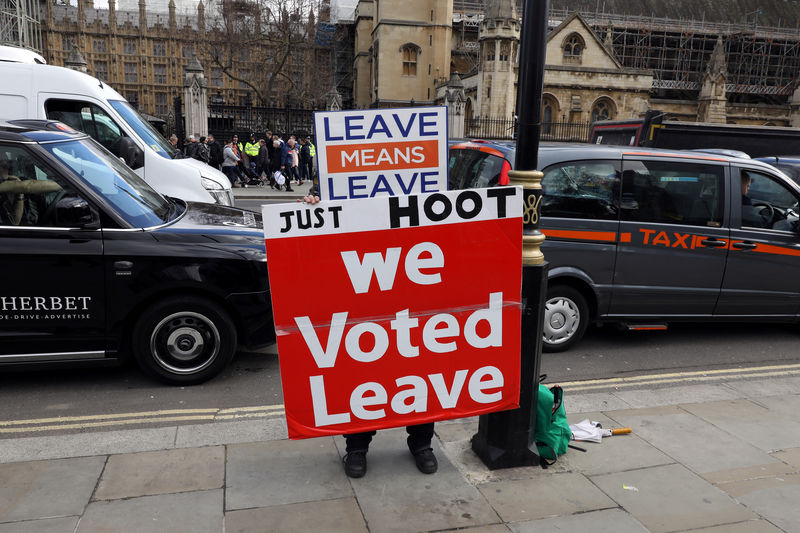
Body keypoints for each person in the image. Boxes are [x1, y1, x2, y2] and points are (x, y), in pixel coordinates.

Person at [299, 191, 438, 478]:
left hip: (412, 283)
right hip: (362, 291)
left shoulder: (424, 178)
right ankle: (357, 446)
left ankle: (422, 443)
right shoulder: (345, 182)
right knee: (364, 376)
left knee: (420, 373)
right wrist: (314, 207)